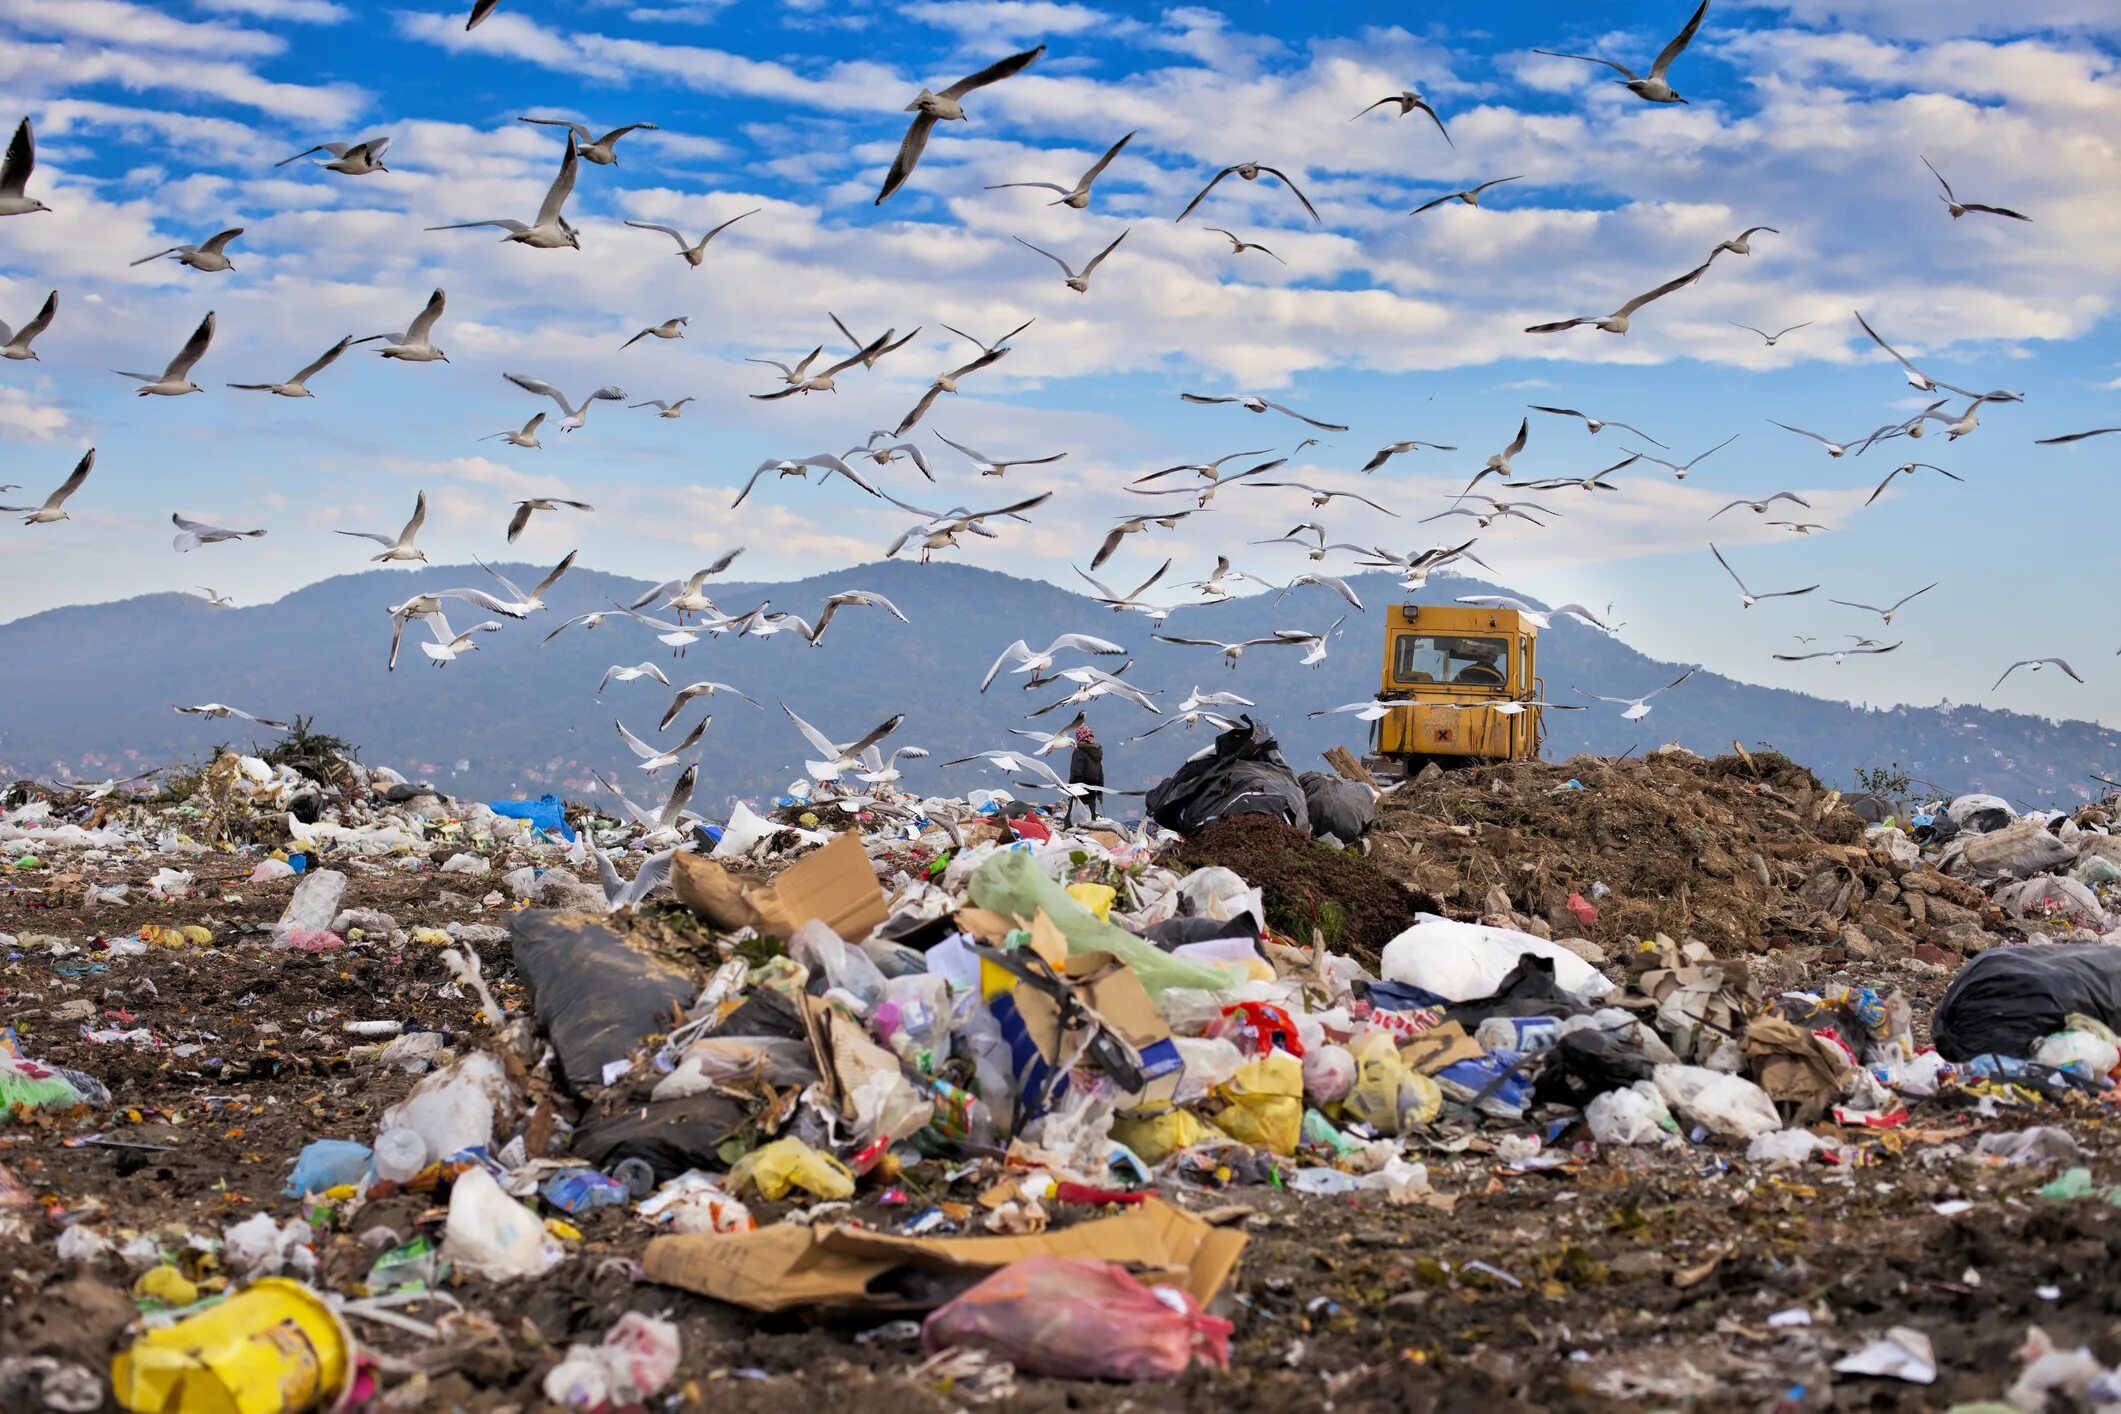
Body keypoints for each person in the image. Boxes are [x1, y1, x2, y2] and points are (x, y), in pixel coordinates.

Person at [1065, 724, 1104, 824]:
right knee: (1090, 821)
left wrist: (1072, 790)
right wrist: (1100, 793)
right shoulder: (1097, 752)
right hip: (1092, 792)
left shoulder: (1079, 751)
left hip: (1080, 792)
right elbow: (1100, 774)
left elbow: (1076, 773)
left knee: (1071, 821)